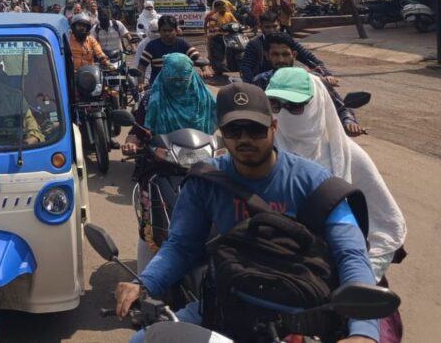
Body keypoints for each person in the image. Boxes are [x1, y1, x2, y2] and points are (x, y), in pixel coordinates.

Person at [117, 82, 380, 343]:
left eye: (255, 129)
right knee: (142, 341)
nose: (244, 139)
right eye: (234, 130)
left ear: (273, 127)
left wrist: (364, 331)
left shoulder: (316, 183)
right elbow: (181, 246)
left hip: (302, 316)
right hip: (226, 307)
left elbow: (351, 253)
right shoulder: (205, 181)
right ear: (222, 133)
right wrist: (145, 283)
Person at [268, 68, 406, 342]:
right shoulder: (265, 154)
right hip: (277, 275)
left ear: (317, 104)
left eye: (295, 106)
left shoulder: (348, 156)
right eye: (276, 104)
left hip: (339, 277)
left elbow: (387, 226)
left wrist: (358, 278)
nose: (284, 114)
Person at [122, 53, 218, 269]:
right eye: (173, 80)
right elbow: (136, 131)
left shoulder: (204, 97)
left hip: (201, 166)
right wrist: (131, 144)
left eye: (182, 79)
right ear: (164, 75)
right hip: (160, 165)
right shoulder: (150, 99)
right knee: (149, 224)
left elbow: (218, 128)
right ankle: (144, 276)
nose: (178, 84)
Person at [253, 33, 364, 136]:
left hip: (312, 140)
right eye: (275, 55)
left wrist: (349, 121)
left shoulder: (314, 81)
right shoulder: (261, 82)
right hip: (277, 140)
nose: (281, 60)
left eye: (285, 54)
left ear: (294, 55)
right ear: (267, 56)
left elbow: (340, 107)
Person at [240, 11, 329, 84]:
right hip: (263, 85)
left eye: (274, 26)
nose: (271, 30)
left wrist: (326, 74)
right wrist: (253, 88)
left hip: (287, 82)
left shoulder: (287, 41)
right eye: (267, 27)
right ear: (261, 27)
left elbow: (309, 58)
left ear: (279, 25)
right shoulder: (254, 44)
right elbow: (246, 68)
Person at [138, 15, 210, 88]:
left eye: (170, 30)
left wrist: (205, 70)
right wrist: (141, 83)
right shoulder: (152, 46)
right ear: (159, 31)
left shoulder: (183, 44)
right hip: (158, 87)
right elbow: (142, 65)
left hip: (181, 87)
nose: (167, 33)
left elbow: (198, 58)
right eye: (164, 30)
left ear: (176, 30)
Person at [205, 0, 238, 74]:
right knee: (211, 38)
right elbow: (212, 26)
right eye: (221, 8)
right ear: (217, 9)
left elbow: (236, 22)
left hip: (230, 34)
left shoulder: (229, 14)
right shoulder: (214, 16)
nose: (223, 9)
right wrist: (216, 28)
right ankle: (211, 56)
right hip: (219, 35)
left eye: (224, 7)